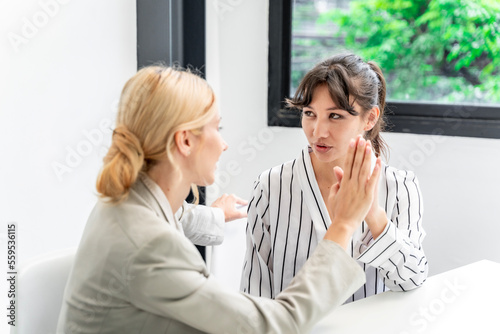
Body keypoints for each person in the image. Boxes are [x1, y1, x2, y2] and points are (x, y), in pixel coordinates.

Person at [57, 65, 382, 333]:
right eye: (217, 127)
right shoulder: (150, 246)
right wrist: (344, 224)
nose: (224, 144)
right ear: (185, 141)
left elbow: (180, 216)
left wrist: (215, 215)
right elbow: (272, 326)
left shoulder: (126, 200)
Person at [240, 53, 428, 302]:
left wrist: (373, 214)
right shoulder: (271, 186)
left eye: (335, 116)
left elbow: (413, 279)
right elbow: (254, 297)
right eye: (309, 113)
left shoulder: (401, 187)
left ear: (370, 118)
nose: (318, 131)